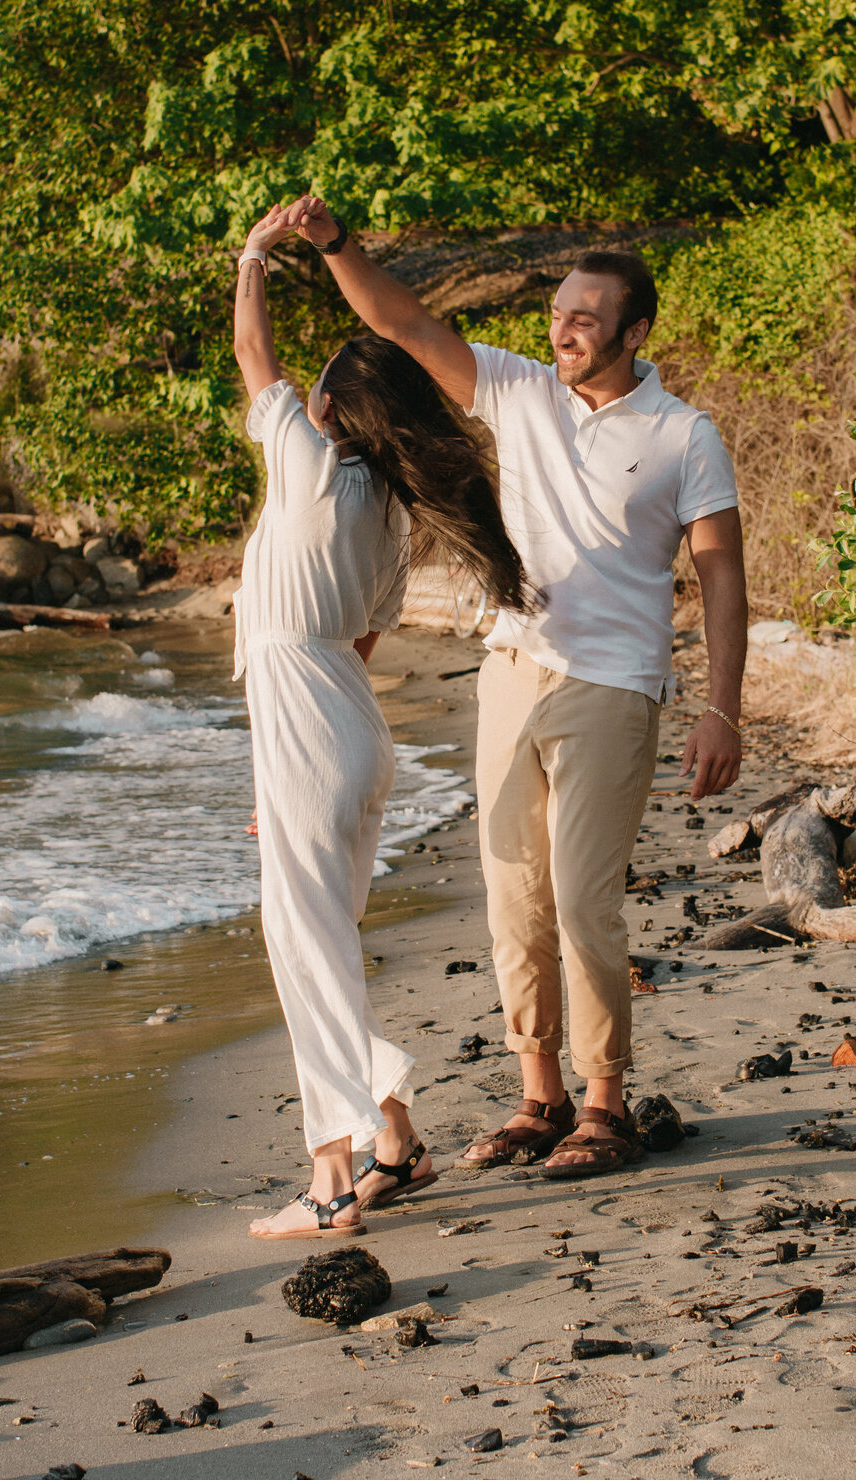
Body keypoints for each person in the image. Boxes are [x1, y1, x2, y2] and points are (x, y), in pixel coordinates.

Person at [270, 195, 748, 1179]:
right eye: (558, 311)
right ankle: (542, 1097)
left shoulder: (684, 436)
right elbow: (400, 324)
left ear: (634, 330)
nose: (563, 329)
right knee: (512, 898)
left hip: (616, 682)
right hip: (512, 669)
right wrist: (334, 247)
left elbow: (721, 575)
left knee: (581, 900)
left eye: (585, 316)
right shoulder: (521, 391)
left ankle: (607, 1106)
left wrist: (722, 706)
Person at [232, 207, 533, 1238]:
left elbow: (247, 352)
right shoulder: (393, 508)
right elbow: (358, 644)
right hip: (349, 737)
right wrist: (278, 777)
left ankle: (328, 1186)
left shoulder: (303, 463)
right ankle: (394, 1146)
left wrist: (252, 262)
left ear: (329, 406)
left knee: (308, 954)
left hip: (317, 737)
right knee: (321, 946)